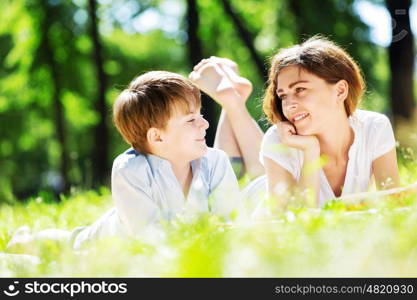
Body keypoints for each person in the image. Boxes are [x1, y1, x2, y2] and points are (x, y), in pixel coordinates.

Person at [7, 71, 240, 252]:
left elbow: (230, 219)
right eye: (191, 120)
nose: (205, 124)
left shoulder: (215, 161)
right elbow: (149, 238)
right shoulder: (130, 169)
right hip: (107, 242)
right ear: (157, 136)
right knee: (73, 243)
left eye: (200, 115)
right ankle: (27, 240)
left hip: (187, 244)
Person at [190, 36, 400, 210]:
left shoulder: (374, 127)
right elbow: (296, 221)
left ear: (340, 90)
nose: (289, 105)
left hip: (275, 182)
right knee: (228, 188)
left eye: (300, 89)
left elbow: (393, 203)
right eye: (283, 95)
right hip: (258, 206)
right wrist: (310, 152)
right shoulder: (280, 137)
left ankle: (233, 100)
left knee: (258, 168)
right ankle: (232, 101)